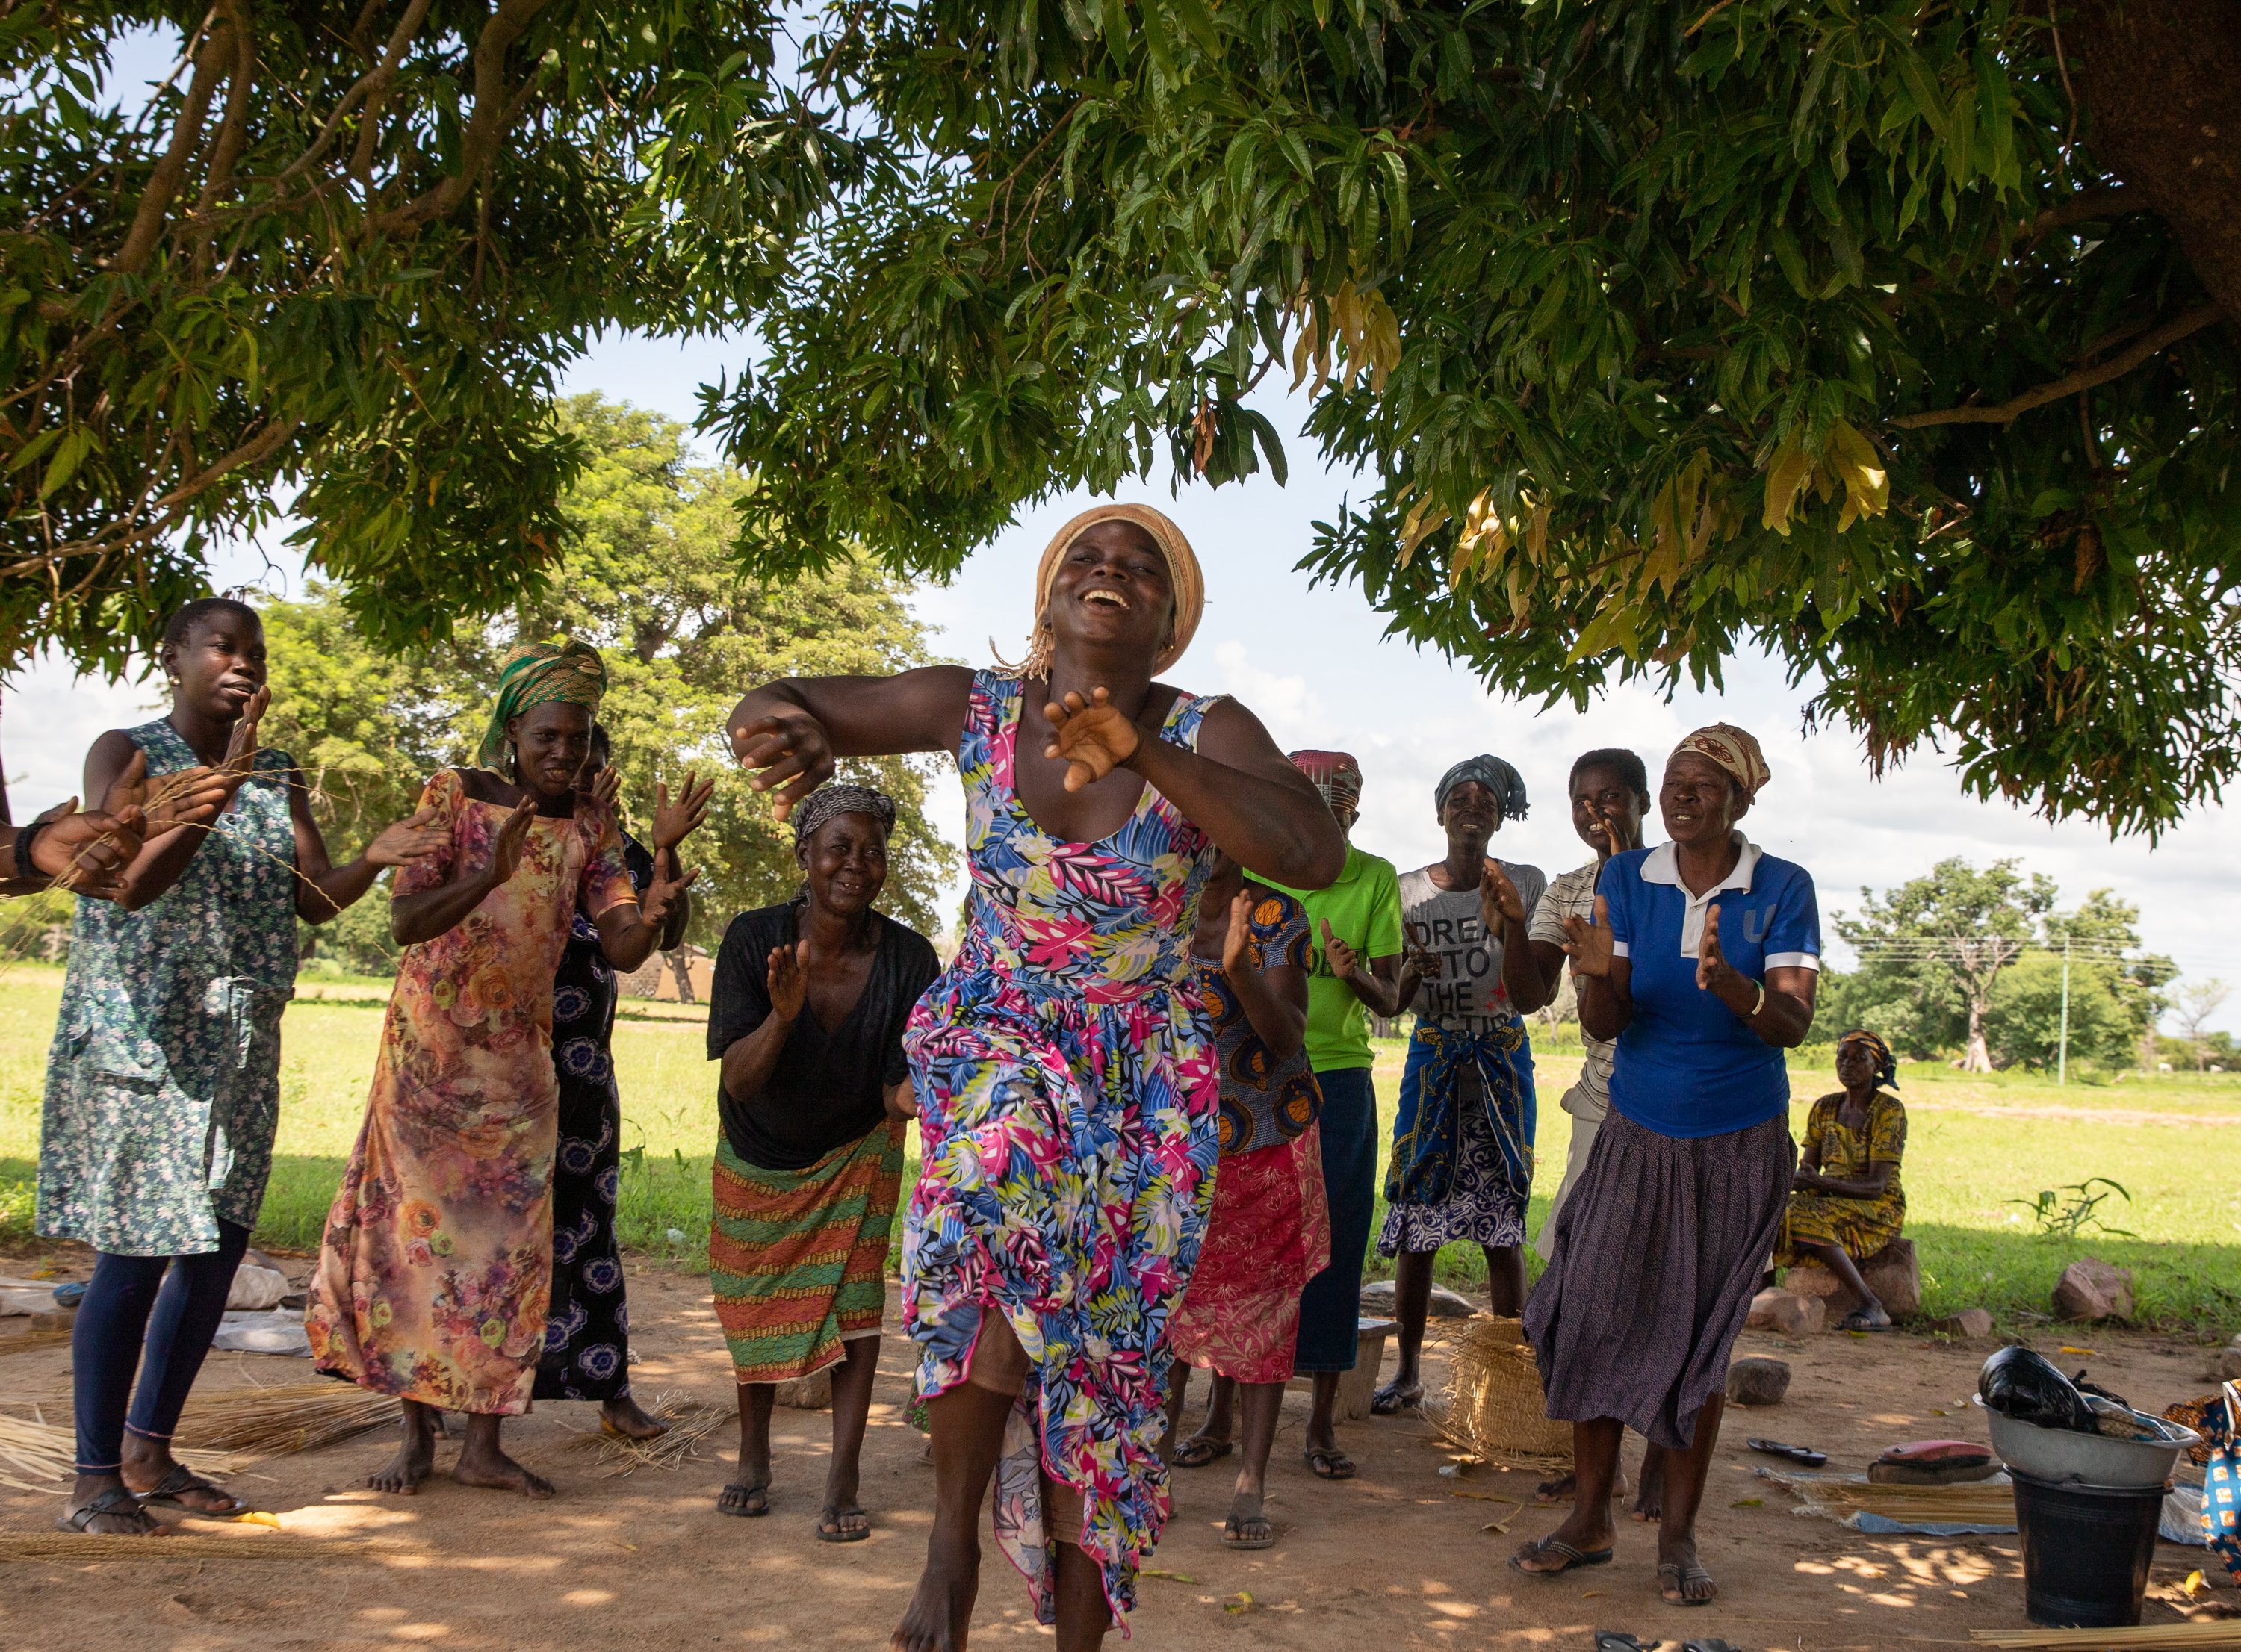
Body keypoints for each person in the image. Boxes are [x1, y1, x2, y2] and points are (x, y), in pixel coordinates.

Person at [727, 502, 1343, 1651]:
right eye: (1088, 561)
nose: (1111, 574)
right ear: (1051, 597)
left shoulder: (1210, 726)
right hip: (1002, 1037)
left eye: (1140, 570)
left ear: (1167, 619)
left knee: (1107, 1354)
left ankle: (1075, 1618)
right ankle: (951, 1541)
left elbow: (1311, 853)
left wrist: (1141, 747)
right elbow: (777, 702)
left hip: (1144, 1081)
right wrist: (781, 727)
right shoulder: (976, 706)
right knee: (989, 1220)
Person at [40, 596, 445, 1535]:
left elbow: (310, 900)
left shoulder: (276, 771)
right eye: (223, 646)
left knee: (214, 1255)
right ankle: (94, 1476)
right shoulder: (125, 753)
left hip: (242, 1045)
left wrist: (377, 857)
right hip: (146, 1039)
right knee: (134, 1256)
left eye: (254, 652)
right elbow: (128, 882)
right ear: (173, 653)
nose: (242, 664)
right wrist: (215, 786)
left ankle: (150, 1449)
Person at [309, 641, 693, 1501]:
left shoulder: (589, 829)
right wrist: (490, 871)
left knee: (507, 1260)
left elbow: (624, 941)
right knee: (415, 1249)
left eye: (579, 738)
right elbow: (407, 918)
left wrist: (659, 878)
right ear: (513, 730)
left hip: (520, 1072)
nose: (564, 753)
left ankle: (482, 1443)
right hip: (428, 1063)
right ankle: (415, 1436)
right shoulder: (453, 796)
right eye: (549, 735)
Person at [1518, 723, 1820, 1608]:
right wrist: (1595, 977)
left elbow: (1794, 1023)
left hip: (1736, 1142)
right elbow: (1608, 1024)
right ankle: (1590, 1518)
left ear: (1741, 798)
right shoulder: (1625, 879)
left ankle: (1679, 1536)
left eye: (1705, 782)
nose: (1685, 793)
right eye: (1677, 780)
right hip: (1637, 1129)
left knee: (1697, 1342)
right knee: (1590, 1311)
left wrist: (1739, 990)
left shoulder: (1780, 888)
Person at [704, 782, 940, 1540]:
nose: (856, 865)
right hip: (757, 1154)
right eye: (839, 847)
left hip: (856, 1150)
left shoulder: (909, 957)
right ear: (806, 853)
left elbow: (902, 1082)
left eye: (872, 852)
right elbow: (739, 1078)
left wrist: (920, 1098)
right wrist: (783, 1015)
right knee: (751, 1307)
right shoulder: (753, 939)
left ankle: (843, 1475)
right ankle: (754, 1455)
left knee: (858, 1309)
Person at [1493, 747, 1661, 1513]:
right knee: (1583, 1275)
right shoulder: (1567, 889)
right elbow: (1530, 993)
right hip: (1602, 1104)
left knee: (1665, 1278)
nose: (1596, 812)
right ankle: (1602, 1463)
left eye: (1611, 797)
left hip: (1678, 1100)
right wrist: (1511, 930)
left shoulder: (1677, 877)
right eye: (1581, 799)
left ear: (1643, 800)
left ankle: (1660, 1455)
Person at [536, 726, 712, 1437]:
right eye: (571, 771)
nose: (581, 782)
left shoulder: (622, 854)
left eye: (593, 772)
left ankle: (610, 1390)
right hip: (497, 1071)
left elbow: (665, 933)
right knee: (485, 1235)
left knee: (589, 1231)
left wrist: (665, 851)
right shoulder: (515, 835)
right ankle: (461, 1398)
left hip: (581, 1077)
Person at [1162, 857, 1327, 1551]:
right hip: (1171, 1146)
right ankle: (1147, 1470)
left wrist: (1239, 972)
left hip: (1264, 1136)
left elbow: (1286, 1033)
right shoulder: (1151, 905)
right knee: (1162, 1308)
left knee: (1265, 1311)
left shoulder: (1274, 915)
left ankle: (1251, 1483)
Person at [1374, 755, 1546, 1415]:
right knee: (1417, 1221)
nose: (1473, 807)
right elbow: (1393, 993)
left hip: (1500, 1059)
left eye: (1487, 801)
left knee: (1502, 1221)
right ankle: (1410, 1371)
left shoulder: (1525, 883)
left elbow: (1532, 987)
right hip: (1435, 1055)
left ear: (1502, 818)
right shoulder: (1408, 888)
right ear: (1439, 809)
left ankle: (1510, 1378)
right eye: (1460, 797)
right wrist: (1412, 976)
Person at [1271, 749, 1407, 1481]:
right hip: (1259, 1078)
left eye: (1338, 807)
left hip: (1340, 1084)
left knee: (1336, 1246)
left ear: (1354, 811)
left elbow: (1392, 1000)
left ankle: (1320, 1423)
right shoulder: (1256, 870)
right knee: (1253, 1247)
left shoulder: (1374, 878)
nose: (1325, 817)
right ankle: (1223, 1417)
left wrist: (1355, 971)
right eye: (1308, 803)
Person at [1772, 1029, 1907, 1332]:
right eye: (1842, 1057)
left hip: (1878, 1208)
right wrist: (1776, 1183)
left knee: (1804, 1213)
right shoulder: (1825, 1107)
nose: (1848, 1064)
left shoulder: (1888, 1111)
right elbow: (1808, 1173)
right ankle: (1761, 1299)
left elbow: (1876, 1187)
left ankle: (1872, 1305)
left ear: (1877, 1068)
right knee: (1767, 1209)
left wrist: (1820, 1185)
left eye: (1860, 1059)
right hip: (1830, 1199)